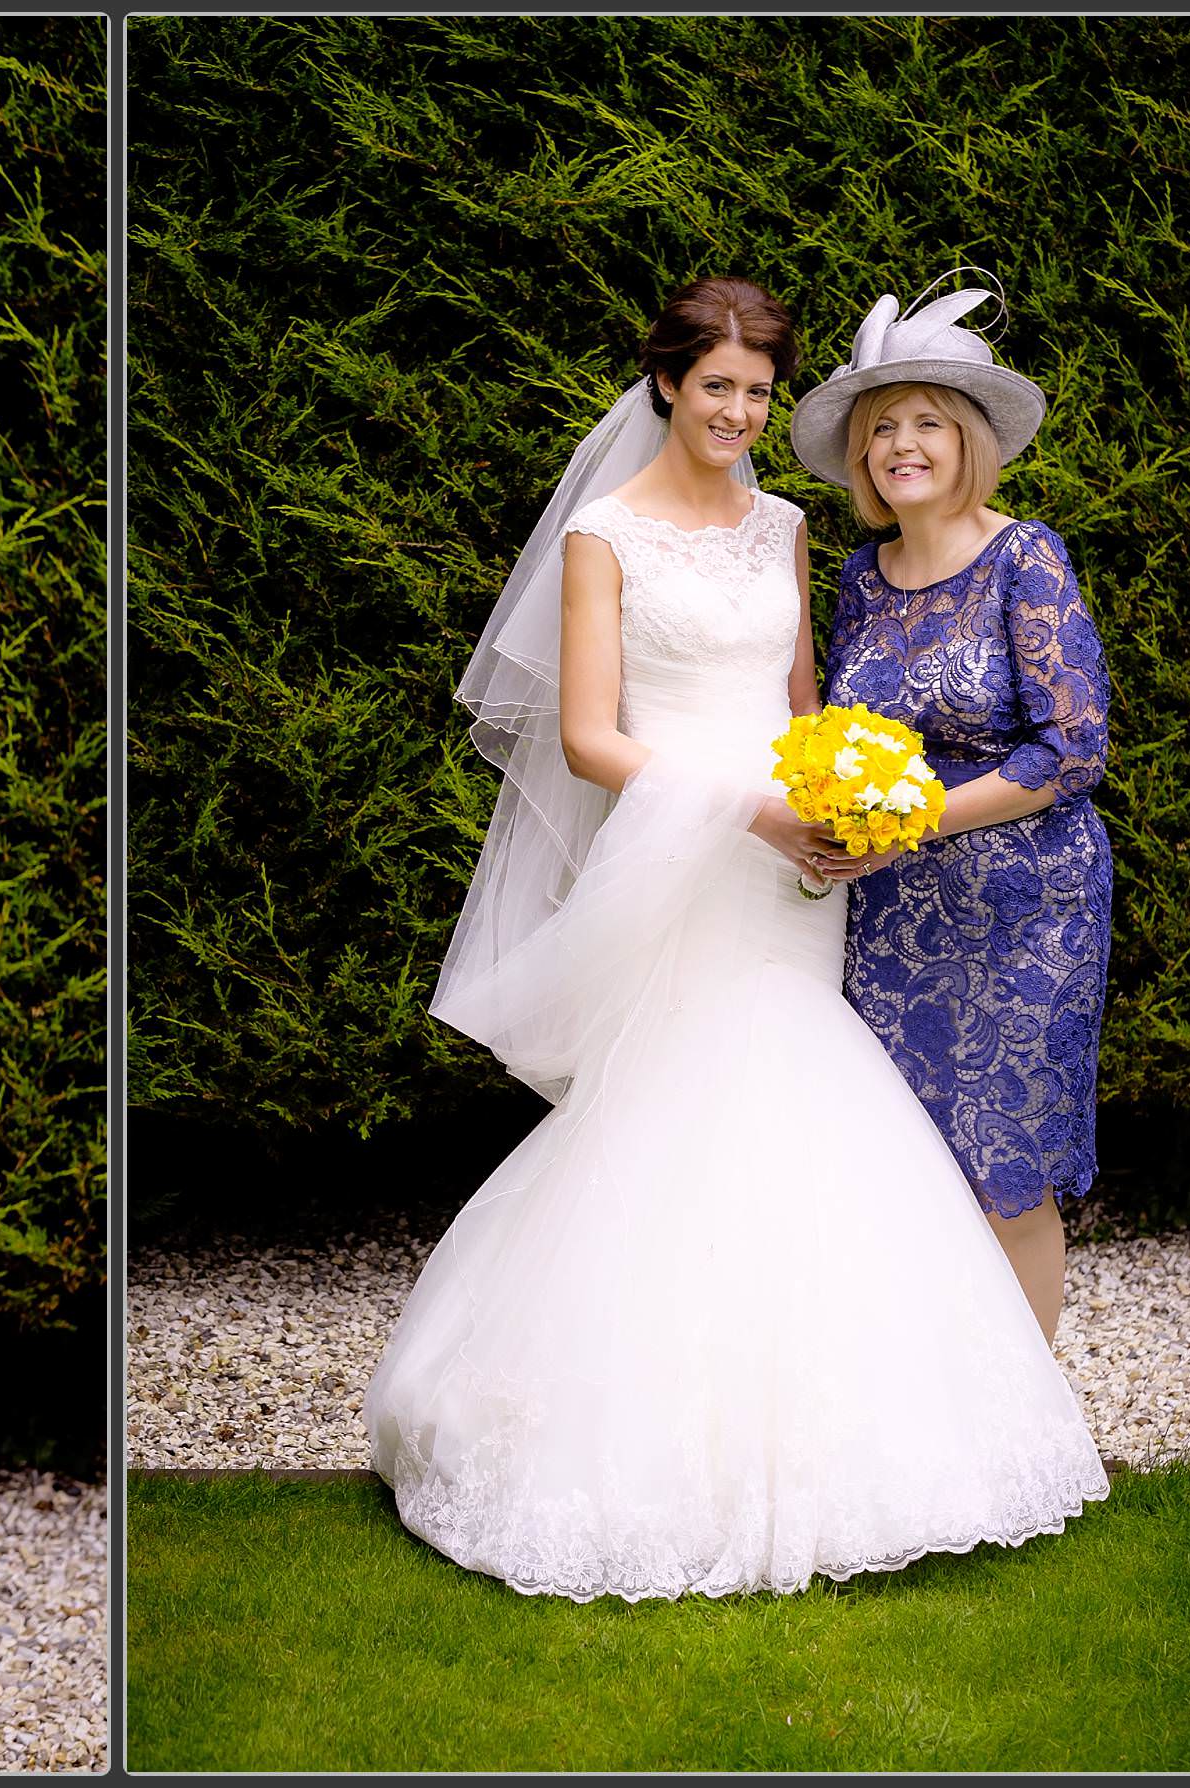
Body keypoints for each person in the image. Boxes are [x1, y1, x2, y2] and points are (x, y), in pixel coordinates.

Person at [364, 275, 1107, 1603]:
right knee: (673, 1106)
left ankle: (856, 1436)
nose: (738, 412)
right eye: (718, 386)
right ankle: (639, 1441)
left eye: (760, 393)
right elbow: (593, 740)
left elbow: (809, 704)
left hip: (795, 866)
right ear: (666, 385)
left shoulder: (785, 530)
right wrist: (754, 810)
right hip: (690, 846)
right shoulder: (605, 532)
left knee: (808, 1112)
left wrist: (837, 802)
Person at [789, 273, 1112, 1343]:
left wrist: (916, 818)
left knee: (1007, 1170)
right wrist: (838, 820)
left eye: (929, 422)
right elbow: (848, 737)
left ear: (970, 439)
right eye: (883, 429)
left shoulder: (1027, 557)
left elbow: (1074, 747)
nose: (902, 445)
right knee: (907, 1165)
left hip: (1030, 909)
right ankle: (941, 1430)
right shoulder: (859, 579)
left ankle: (1036, 1436)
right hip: (891, 920)